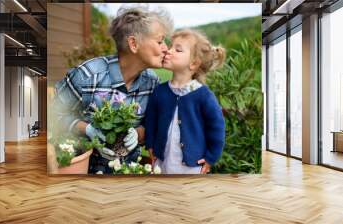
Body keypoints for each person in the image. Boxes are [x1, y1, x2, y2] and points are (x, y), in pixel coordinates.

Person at [53, 6, 173, 174]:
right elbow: (52, 117)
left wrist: (138, 134)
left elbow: (151, 124)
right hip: (84, 169)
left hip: (129, 169)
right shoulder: (87, 76)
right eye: (160, 41)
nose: (166, 48)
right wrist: (87, 130)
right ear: (133, 44)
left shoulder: (152, 82)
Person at [145, 29, 226, 174]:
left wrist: (211, 157)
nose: (168, 51)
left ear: (194, 64)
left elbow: (217, 127)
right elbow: (151, 121)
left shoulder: (204, 96)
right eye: (171, 47)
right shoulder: (160, 91)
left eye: (178, 49)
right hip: (161, 163)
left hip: (192, 167)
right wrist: (150, 144)